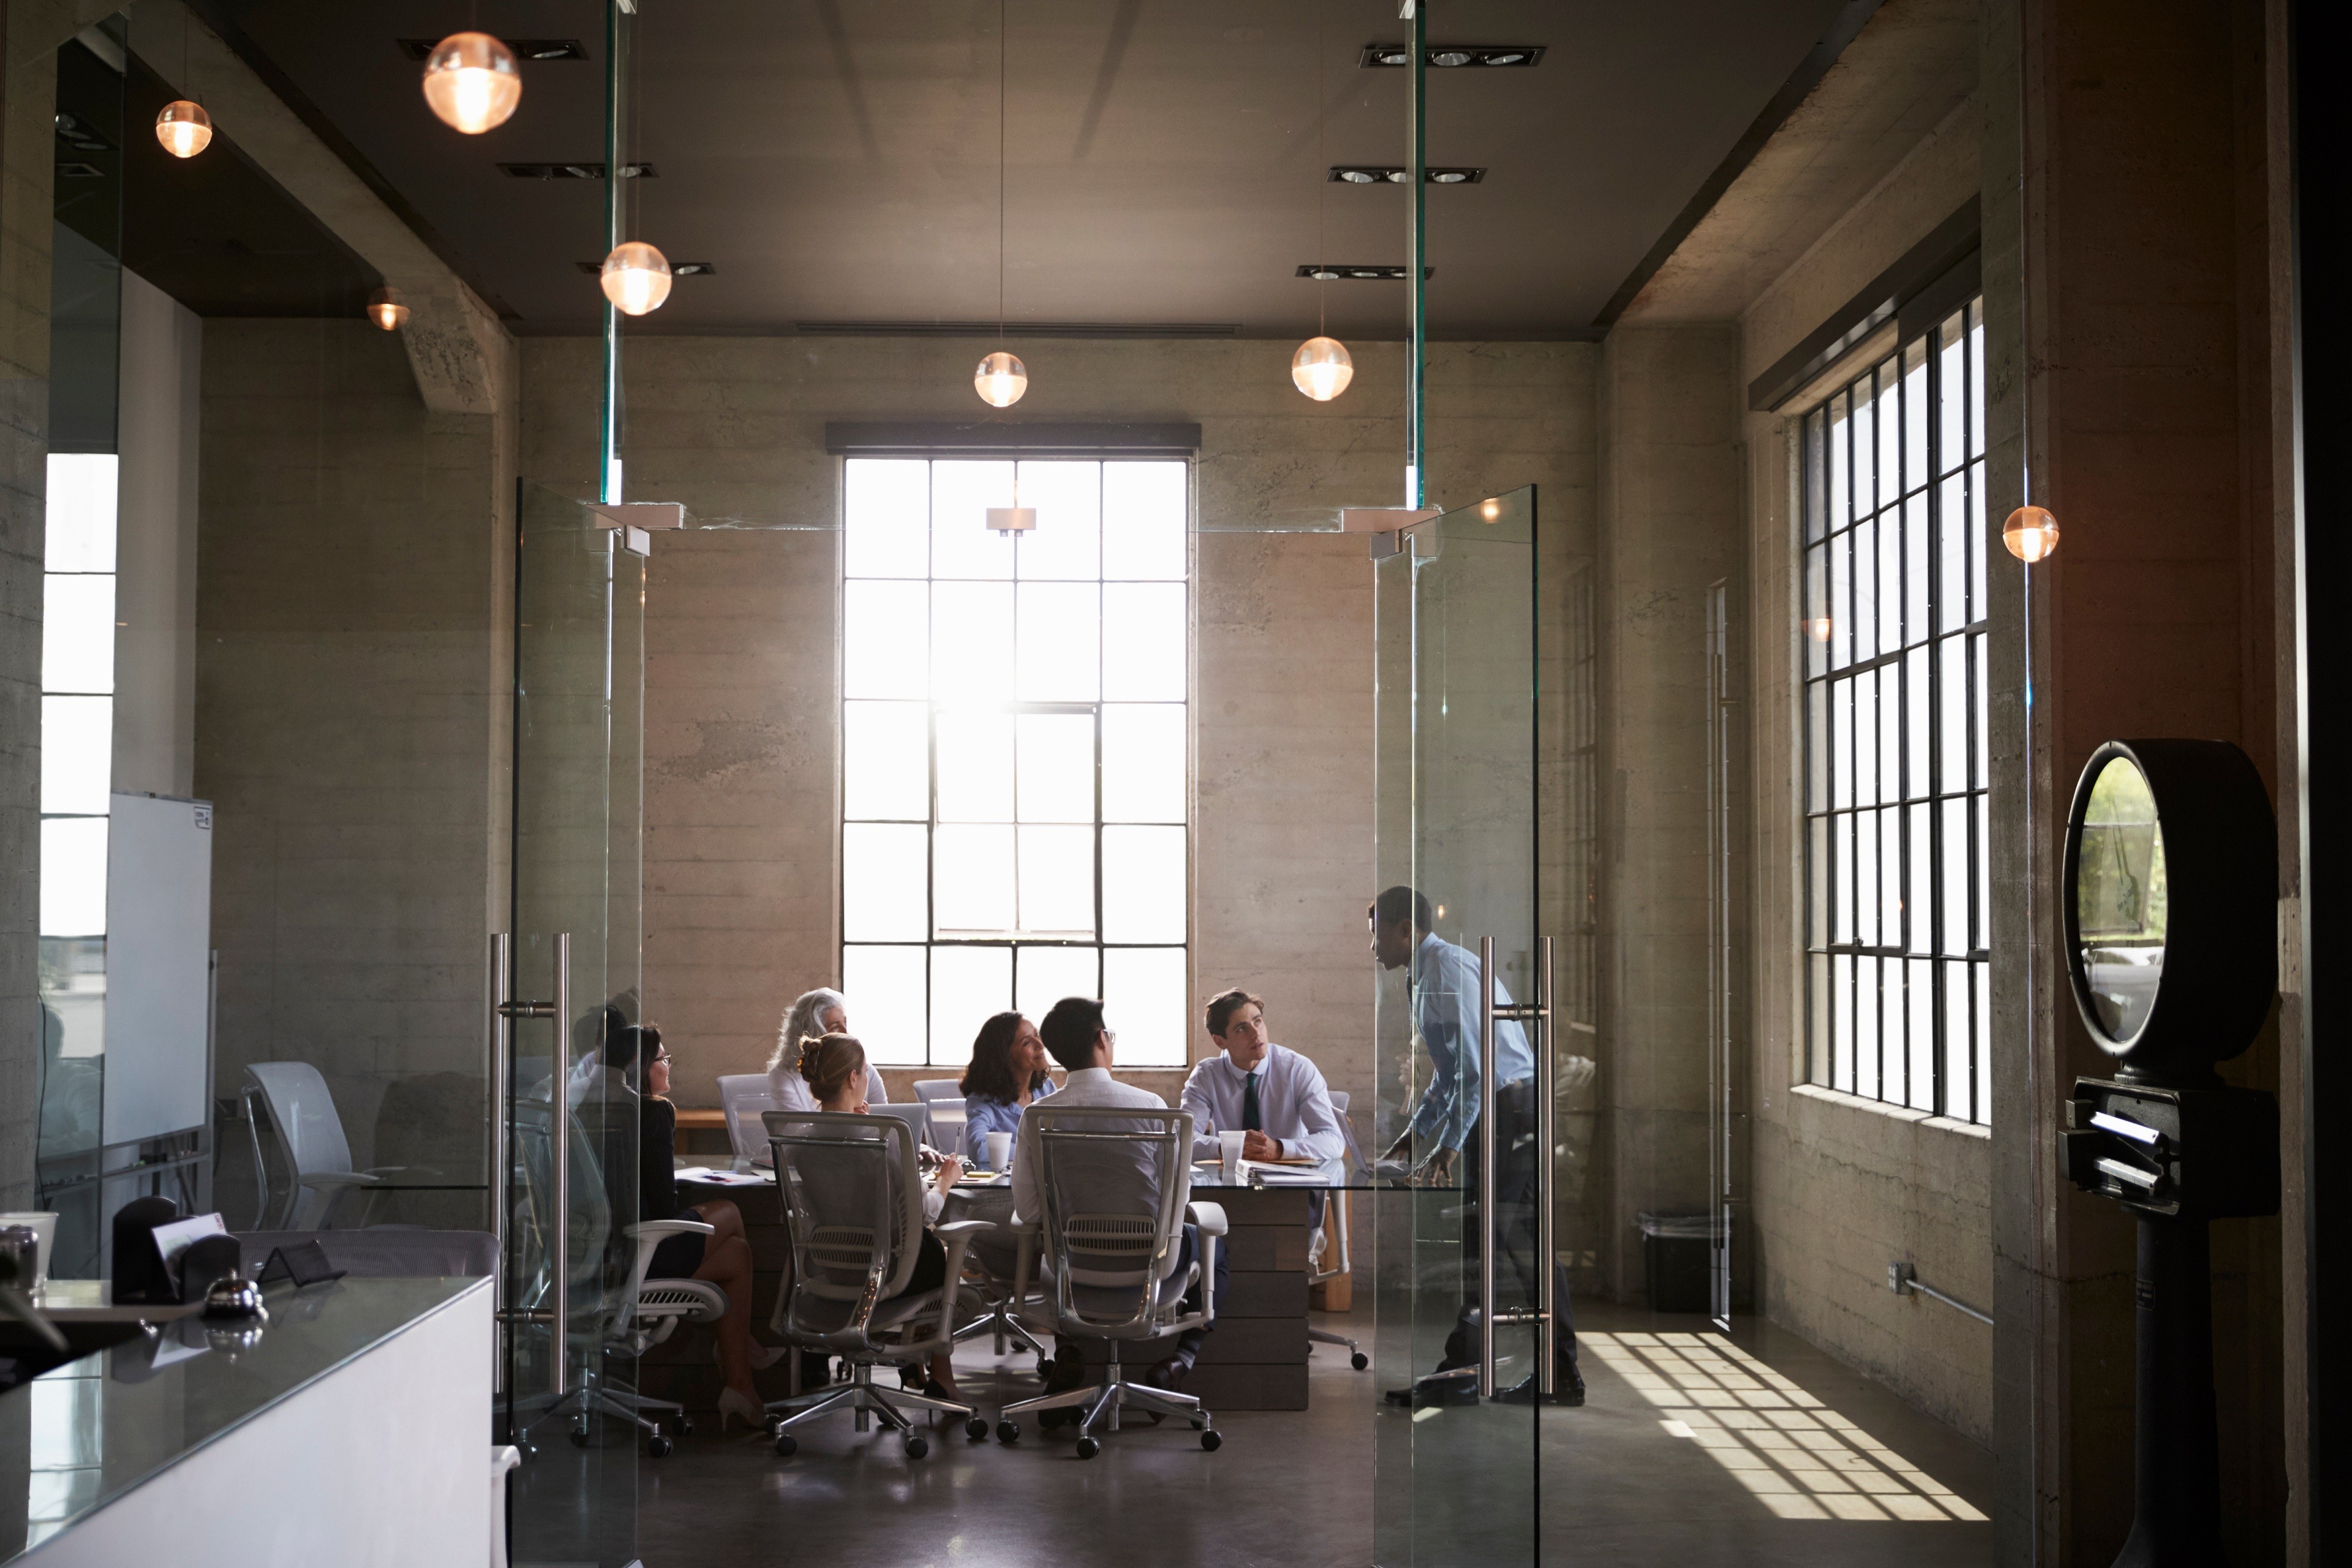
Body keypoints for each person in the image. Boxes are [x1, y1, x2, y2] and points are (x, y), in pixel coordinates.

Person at [1370, 886, 1583, 1406]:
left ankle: (1467, 1374)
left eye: (1374, 932)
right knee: (1510, 1242)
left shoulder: (1444, 970)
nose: (1370, 944)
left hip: (1509, 1108)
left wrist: (1446, 1146)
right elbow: (1449, 1073)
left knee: (1486, 1240)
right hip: (1504, 1107)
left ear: (1404, 929)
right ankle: (1552, 1374)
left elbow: (1474, 1072)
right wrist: (1416, 1132)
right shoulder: (1423, 973)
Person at [1012, 997, 1227, 1400]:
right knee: (1212, 1239)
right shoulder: (1151, 1108)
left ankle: (1071, 1352)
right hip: (1151, 1267)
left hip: (1071, 1269)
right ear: (1101, 1039)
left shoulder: (1038, 1115)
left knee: (1050, 1241)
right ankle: (1180, 1360)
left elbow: (1028, 1210)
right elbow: (1178, 1202)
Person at [619, 1023, 780, 1433]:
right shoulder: (653, 1111)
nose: (668, 1066)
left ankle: (740, 1384)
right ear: (640, 1066)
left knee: (738, 1255)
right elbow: (662, 1206)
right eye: (662, 1059)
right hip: (639, 1254)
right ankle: (739, 1353)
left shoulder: (596, 1108)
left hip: (599, 1255)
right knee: (727, 1210)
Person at [795, 1031, 967, 1400]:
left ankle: (915, 1366)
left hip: (829, 1268)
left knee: (924, 1248)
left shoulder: (799, 1140)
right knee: (939, 1252)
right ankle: (941, 1373)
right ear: (854, 1079)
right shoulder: (883, 1137)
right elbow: (921, 1215)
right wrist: (945, 1183)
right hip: (884, 1273)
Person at [1180, 989, 1346, 1165]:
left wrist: (1280, 1148)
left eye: (1258, 1021)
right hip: (1228, 1184)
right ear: (1220, 1041)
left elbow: (1334, 1140)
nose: (1256, 1033)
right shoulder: (1207, 1075)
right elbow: (1183, 1139)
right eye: (1242, 1028)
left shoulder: (1297, 1069)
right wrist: (1230, 1147)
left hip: (1292, 1183)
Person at [959, 1010, 1057, 1164]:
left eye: (1036, 1035)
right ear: (1004, 1056)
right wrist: (1038, 1150)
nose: (1040, 1044)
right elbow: (979, 1150)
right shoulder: (983, 1101)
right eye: (1026, 1042)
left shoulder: (1046, 1087)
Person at [766, 987, 848, 1113]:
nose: (846, 1032)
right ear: (812, 1035)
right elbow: (795, 1130)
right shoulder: (784, 1077)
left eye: (845, 1023)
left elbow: (884, 1127)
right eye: (835, 1027)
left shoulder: (864, 1071)